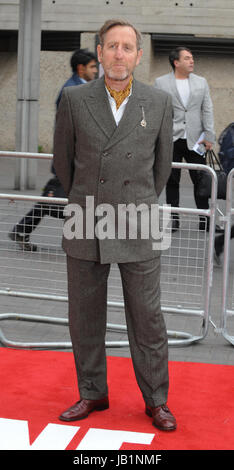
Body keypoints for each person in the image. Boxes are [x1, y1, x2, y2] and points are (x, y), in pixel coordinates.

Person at [53, 18, 177, 432]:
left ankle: (156, 400)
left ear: (138, 56)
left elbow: (161, 170)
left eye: (127, 47)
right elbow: (63, 164)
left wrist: (135, 199)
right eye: (112, 46)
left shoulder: (158, 102)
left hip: (140, 217)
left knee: (148, 318)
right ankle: (92, 392)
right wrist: (86, 200)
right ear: (100, 52)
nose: (119, 54)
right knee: (84, 316)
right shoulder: (74, 100)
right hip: (85, 216)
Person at [9, 48, 98, 251]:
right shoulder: (71, 91)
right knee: (66, 200)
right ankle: (78, 242)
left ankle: (24, 229)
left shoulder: (81, 88)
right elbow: (66, 129)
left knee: (60, 198)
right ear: (80, 68)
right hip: (70, 159)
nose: (95, 71)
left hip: (76, 158)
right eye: (93, 67)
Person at [154, 46, 222, 233]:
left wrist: (209, 136)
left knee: (200, 179)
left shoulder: (201, 82)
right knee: (172, 180)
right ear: (176, 62)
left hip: (196, 139)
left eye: (192, 58)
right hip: (171, 138)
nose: (192, 61)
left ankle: (205, 219)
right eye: (187, 58)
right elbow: (157, 111)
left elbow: (207, 109)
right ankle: (173, 220)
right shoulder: (161, 83)